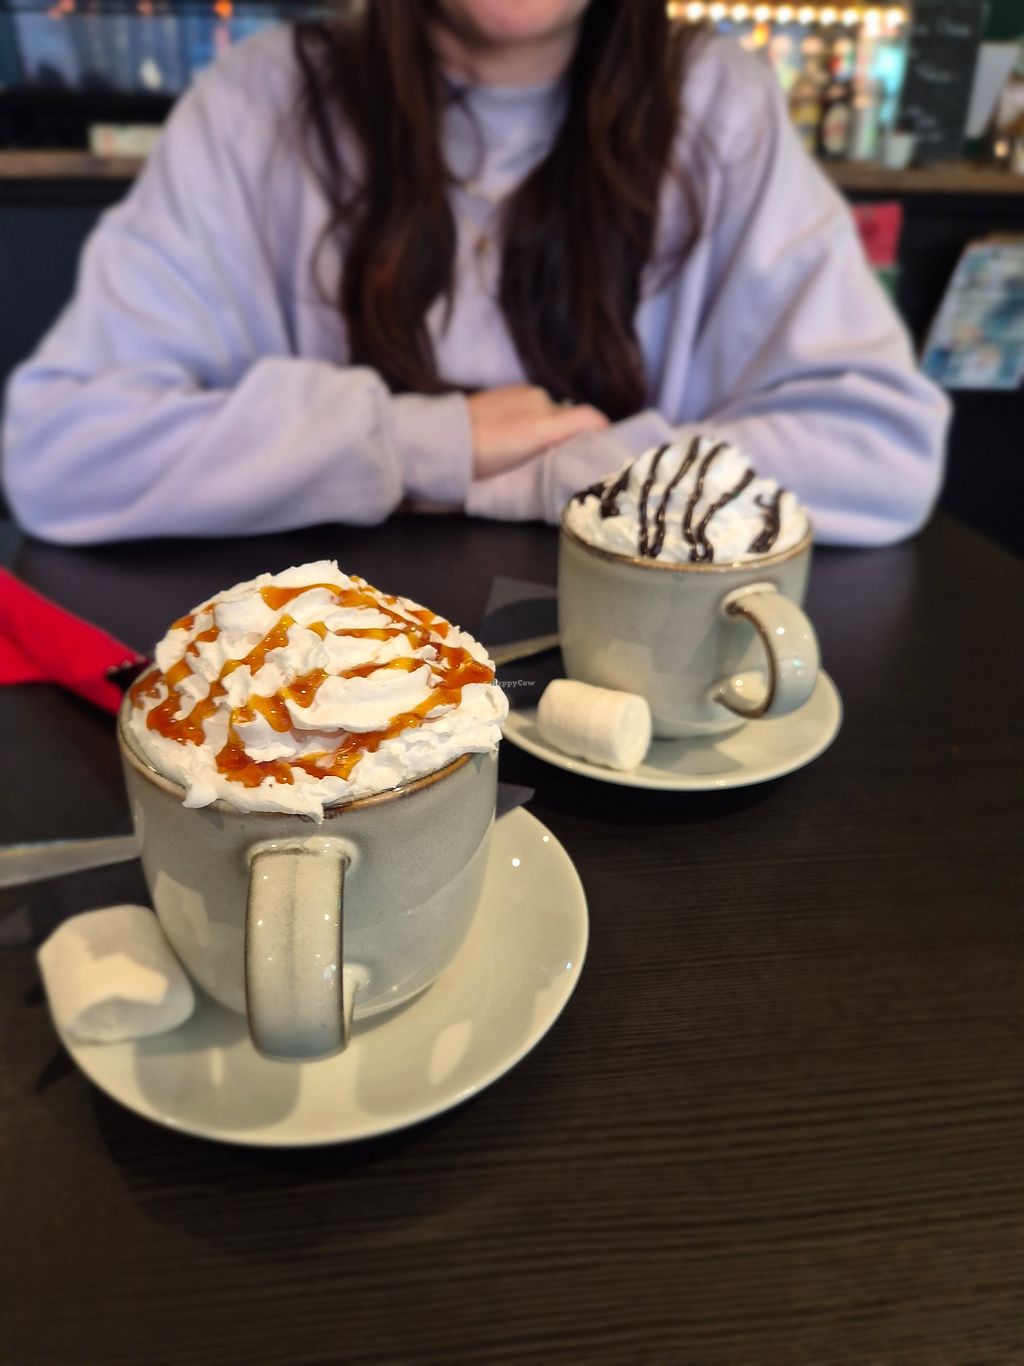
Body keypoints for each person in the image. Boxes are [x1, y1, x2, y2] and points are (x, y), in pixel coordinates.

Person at [1, 0, 948, 546]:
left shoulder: (716, 103)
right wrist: (426, 443)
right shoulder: (261, 104)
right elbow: (62, 450)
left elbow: (880, 450)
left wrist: (572, 473)